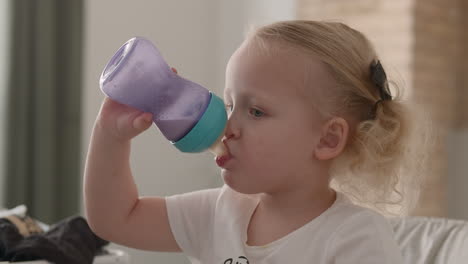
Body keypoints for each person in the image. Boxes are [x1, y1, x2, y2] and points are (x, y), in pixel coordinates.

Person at [84, 20, 425, 263]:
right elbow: (116, 219)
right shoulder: (221, 212)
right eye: (230, 104)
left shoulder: (355, 237)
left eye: (257, 111)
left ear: (327, 138)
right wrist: (110, 136)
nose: (228, 126)